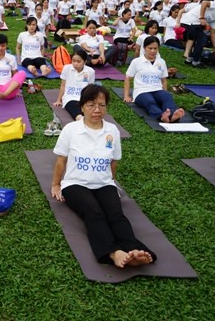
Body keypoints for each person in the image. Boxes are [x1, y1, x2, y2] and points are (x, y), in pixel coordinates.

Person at [52, 84, 156, 268]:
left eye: (102, 105)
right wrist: (56, 185)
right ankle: (113, 253)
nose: (97, 110)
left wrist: (111, 184)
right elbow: (61, 160)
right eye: (91, 105)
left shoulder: (112, 131)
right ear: (82, 106)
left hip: (103, 184)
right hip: (75, 184)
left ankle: (133, 249)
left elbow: (113, 163)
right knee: (93, 211)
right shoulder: (71, 129)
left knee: (116, 213)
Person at [124, 36, 185, 123]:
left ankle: (171, 116)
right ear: (144, 48)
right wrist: (126, 96)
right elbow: (127, 78)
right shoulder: (136, 62)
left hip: (157, 90)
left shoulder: (161, 62)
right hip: (141, 92)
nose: (153, 51)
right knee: (149, 101)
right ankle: (161, 117)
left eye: (155, 48)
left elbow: (164, 80)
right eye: (150, 48)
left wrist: (165, 92)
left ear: (158, 49)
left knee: (167, 97)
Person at [54, 49, 96, 120]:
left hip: (84, 98)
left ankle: (88, 121)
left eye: (79, 61)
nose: (75, 63)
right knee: (73, 107)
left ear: (85, 62)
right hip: (70, 97)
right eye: (73, 61)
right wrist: (59, 100)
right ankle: (81, 120)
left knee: (87, 109)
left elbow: (90, 88)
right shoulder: (66, 68)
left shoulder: (90, 71)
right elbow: (63, 86)